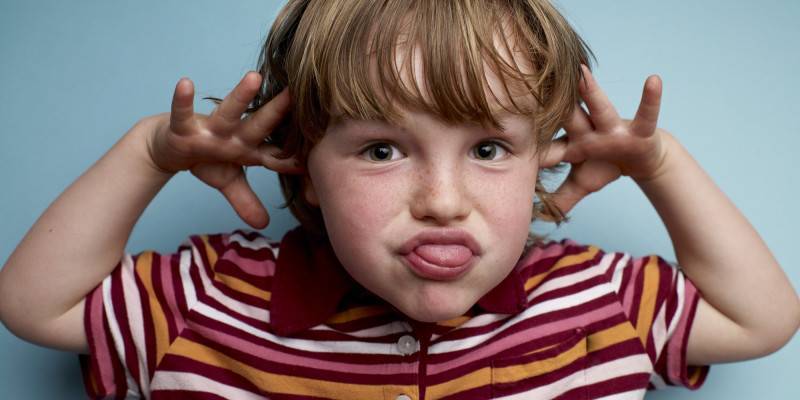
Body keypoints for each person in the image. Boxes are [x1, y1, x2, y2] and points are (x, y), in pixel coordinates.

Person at [0, 0, 798, 398]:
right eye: (381, 150)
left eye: (489, 150)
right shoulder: (207, 299)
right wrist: (150, 153)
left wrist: (660, 164)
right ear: (305, 168)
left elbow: (762, 320)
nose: (443, 202)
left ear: (538, 163)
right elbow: (34, 307)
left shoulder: (596, 298)